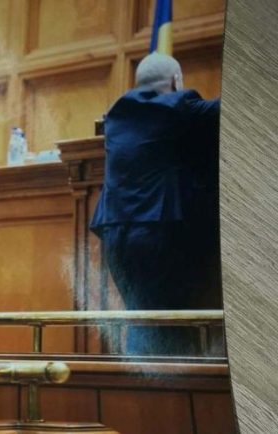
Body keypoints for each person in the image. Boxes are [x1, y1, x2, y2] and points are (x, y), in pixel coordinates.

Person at [90, 53, 221, 355]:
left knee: (141, 318)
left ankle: (140, 379)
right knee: (172, 324)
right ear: (176, 81)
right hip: (156, 234)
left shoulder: (116, 115)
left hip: (115, 235)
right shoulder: (178, 105)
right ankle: (170, 380)